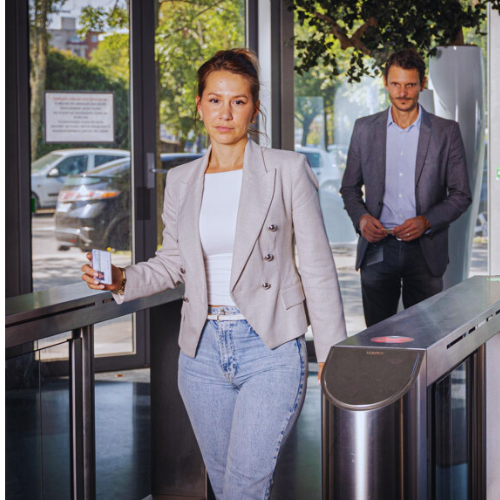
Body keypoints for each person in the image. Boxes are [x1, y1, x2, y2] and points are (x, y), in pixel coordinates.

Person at [82, 48, 346, 499]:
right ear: (199, 104)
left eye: (238, 101)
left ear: (254, 107)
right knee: (226, 489)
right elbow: (173, 262)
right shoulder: (182, 179)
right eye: (215, 100)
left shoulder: (286, 170)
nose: (226, 113)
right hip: (201, 351)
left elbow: (318, 268)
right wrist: (123, 279)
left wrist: (333, 354)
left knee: (245, 488)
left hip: (270, 345)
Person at [340, 48, 472, 327]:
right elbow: (349, 188)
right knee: (377, 339)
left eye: (410, 84)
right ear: (385, 83)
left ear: (422, 84)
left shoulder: (446, 132)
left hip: (425, 250)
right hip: (377, 247)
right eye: (396, 84)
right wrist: (362, 219)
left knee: (427, 340)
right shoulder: (364, 129)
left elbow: (461, 195)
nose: (402, 93)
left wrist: (426, 221)